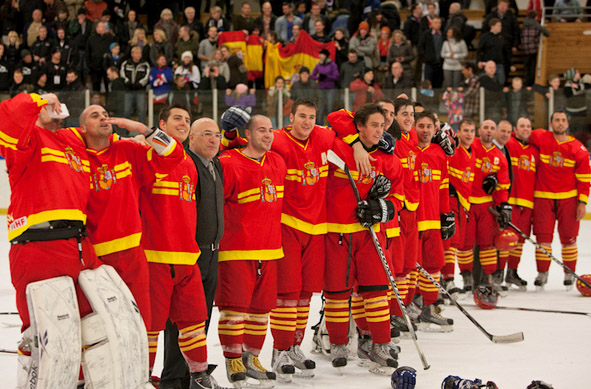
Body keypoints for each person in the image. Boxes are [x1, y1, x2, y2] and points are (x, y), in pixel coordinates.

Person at [0, 92, 102, 388]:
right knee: (39, 333)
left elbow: (100, 134)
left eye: (57, 106)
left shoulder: (72, 141)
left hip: (78, 246)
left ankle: (80, 383)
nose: (54, 107)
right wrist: (40, 97)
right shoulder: (27, 139)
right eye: (47, 107)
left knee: (84, 328)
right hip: (37, 245)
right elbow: (8, 114)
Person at [141, 105, 226, 389]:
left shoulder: (213, 164)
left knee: (196, 321)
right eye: (206, 134)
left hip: (203, 254)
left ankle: (193, 375)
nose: (214, 140)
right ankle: (172, 378)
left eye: (217, 135)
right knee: (169, 323)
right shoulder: (172, 158)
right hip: (177, 254)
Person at [78, 104, 184, 330]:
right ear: (82, 128)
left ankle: (140, 367)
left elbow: (174, 155)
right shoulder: (75, 159)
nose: (103, 118)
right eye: (95, 116)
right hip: (91, 257)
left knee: (139, 323)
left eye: (106, 114)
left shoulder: (127, 150)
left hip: (132, 254)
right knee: (97, 327)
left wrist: (145, 130)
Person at [323, 103, 402, 371]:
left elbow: (399, 197)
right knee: (337, 293)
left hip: (370, 235)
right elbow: (336, 116)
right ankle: (337, 344)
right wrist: (355, 143)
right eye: (374, 125)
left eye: (383, 125)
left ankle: (380, 344)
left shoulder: (389, 158)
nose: (380, 130)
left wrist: (383, 208)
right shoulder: (337, 148)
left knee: (377, 291)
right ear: (359, 127)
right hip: (337, 234)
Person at [216, 114, 286, 387]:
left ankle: (252, 356)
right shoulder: (228, 163)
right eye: (261, 130)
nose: (268, 135)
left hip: (270, 249)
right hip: (237, 250)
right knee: (235, 309)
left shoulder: (277, 162)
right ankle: (233, 357)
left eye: (270, 130)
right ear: (247, 133)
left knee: (260, 310)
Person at [529, 111, 590, 289]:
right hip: (543, 197)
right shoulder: (540, 137)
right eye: (557, 120)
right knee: (543, 239)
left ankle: (569, 273)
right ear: (551, 123)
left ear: (567, 124)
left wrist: (582, 202)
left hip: (568, 199)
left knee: (569, 238)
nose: (560, 123)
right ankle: (542, 273)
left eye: (563, 120)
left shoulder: (578, 149)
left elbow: (585, 179)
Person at [413, 110, 454, 330]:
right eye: (421, 125)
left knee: (434, 264)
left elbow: (443, 187)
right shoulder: (407, 150)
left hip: (433, 221)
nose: (425, 130)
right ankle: (411, 307)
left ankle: (429, 308)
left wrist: (445, 215)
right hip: (412, 222)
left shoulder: (439, 153)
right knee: (410, 268)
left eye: (429, 126)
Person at [459, 119, 511, 293]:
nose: (489, 131)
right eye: (486, 127)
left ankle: (489, 277)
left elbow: (503, 186)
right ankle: (467, 277)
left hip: (486, 207)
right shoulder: (469, 145)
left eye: (492, 128)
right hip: (466, 204)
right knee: (465, 244)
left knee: (487, 244)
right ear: (479, 130)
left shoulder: (500, 157)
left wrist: (503, 205)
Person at [442, 118, 477, 296]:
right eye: (466, 130)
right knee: (450, 242)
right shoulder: (454, 150)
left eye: (472, 130)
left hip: (464, 203)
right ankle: (447, 280)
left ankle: (460, 277)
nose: (469, 134)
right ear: (459, 132)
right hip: (450, 200)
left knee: (460, 243)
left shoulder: (473, 153)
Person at [503, 117, 538, 290]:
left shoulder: (534, 151)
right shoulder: (509, 143)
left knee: (519, 242)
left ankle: (512, 272)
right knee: (504, 239)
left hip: (527, 204)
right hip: (510, 202)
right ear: (515, 129)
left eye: (528, 126)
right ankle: (498, 273)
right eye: (522, 126)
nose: (525, 129)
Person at [120, 46, 150, 124]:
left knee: (141, 111)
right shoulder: (126, 63)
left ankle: (143, 132)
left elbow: (147, 76)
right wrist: (127, 82)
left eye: (139, 53)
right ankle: (126, 131)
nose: (138, 55)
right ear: (132, 54)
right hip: (128, 90)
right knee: (127, 111)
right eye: (136, 53)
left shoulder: (145, 64)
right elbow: (122, 74)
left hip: (140, 91)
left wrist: (140, 84)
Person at [521, 11, 549, 87]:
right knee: (533, 68)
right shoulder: (536, 25)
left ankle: (526, 84)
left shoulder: (524, 24)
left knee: (526, 68)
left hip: (524, 49)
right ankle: (531, 84)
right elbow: (547, 33)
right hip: (533, 49)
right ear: (535, 17)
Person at [311, 48, 338, 125]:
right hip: (321, 88)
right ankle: (319, 124)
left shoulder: (332, 65)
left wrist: (327, 76)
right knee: (320, 106)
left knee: (330, 107)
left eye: (322, 54)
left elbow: (336, 76)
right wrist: (319, 78)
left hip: (330, 89)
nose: (320, 56)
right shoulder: (318, 65)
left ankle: (330, 124)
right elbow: (312, 76)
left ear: (325, 56)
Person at [86, 21, 115, 91]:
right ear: (97, 28)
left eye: (104, 27)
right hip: (95, 67)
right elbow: (87, 53)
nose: (103, 28)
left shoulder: (110, 38)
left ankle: (109, 101)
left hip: (107, 67)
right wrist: (90, 65)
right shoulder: (91, 39)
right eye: (101, 27)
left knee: (108, 86)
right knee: (96, 86)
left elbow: (114, 50)